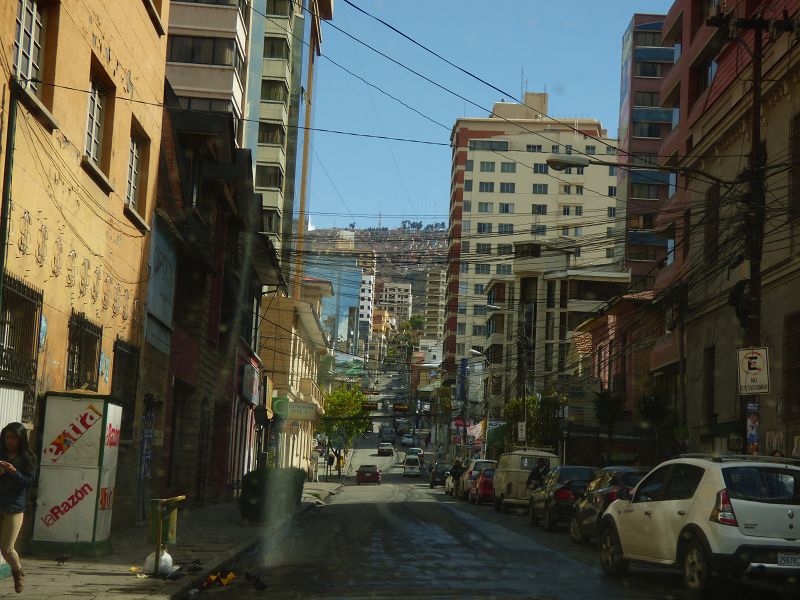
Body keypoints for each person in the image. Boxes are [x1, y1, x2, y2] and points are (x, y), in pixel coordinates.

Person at [0, 422, 37, 593]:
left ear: (21, 439)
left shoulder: (27, 458)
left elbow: (29, 482)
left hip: (14, 507)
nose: (10, 441)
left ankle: (18, 572)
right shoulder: (1, 454)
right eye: (7, 437)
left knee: (7, 548)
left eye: (13, 438)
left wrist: (14, 472)